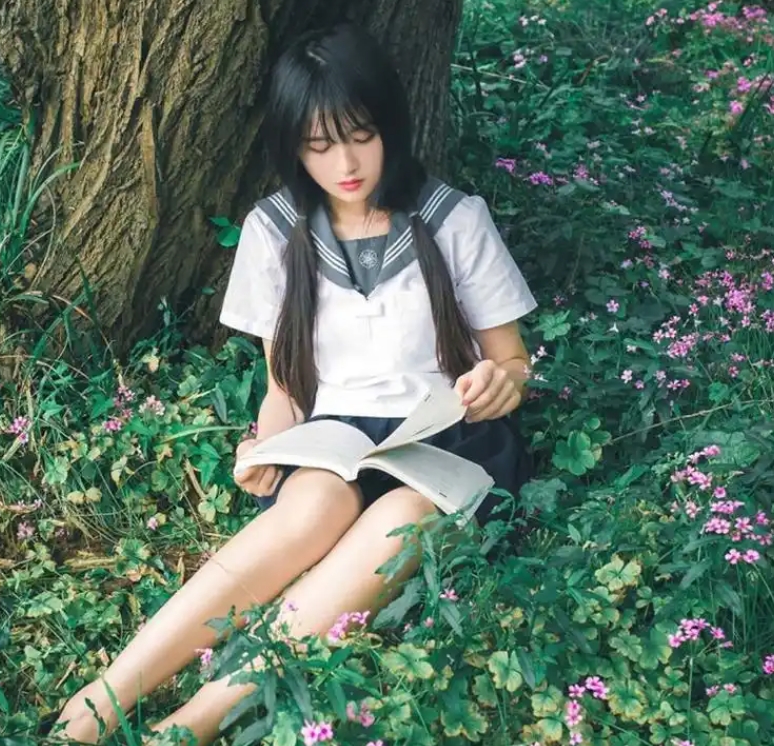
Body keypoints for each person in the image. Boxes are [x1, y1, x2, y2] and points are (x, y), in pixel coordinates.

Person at [54, 22, 537, 745]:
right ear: (292, 146)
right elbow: (285, 384)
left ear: (390, 125)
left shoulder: (453, 220)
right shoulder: (275, 230)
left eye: (361, 136)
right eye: (319, 145)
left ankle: (195, 721)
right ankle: (106, 696)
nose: (346, 163)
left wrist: (501, 383)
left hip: (449, 439)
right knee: (308, 510)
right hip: (337, 439)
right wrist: (266, 446)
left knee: (396, 523)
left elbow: (513, 362)